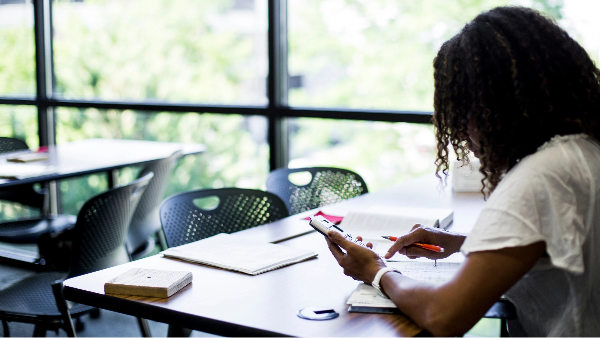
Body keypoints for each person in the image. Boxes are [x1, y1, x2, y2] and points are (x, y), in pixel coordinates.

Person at [325, 6, 600, 338]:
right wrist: (461, 243)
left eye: (463, 113)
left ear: (493, 108)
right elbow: (551, 244)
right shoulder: (582, 151)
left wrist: (377, 271)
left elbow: (444, 315)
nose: (463, 134)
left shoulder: (540, 176)